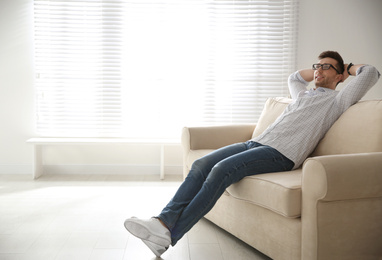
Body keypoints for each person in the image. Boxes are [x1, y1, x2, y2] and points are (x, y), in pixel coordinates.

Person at [124, 51, 380, 257]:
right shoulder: (303, 95)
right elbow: (294, 77)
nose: (318, 70)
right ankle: (162, 223)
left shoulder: (337, 100)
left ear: (340, 77)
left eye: (326, 67)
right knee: (202, 163)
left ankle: (171, 233)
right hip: (256, 143)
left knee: (220, 171)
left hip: (282, 154)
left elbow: (370, 73)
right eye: (317, 65)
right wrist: (321, 69)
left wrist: (346, 68)